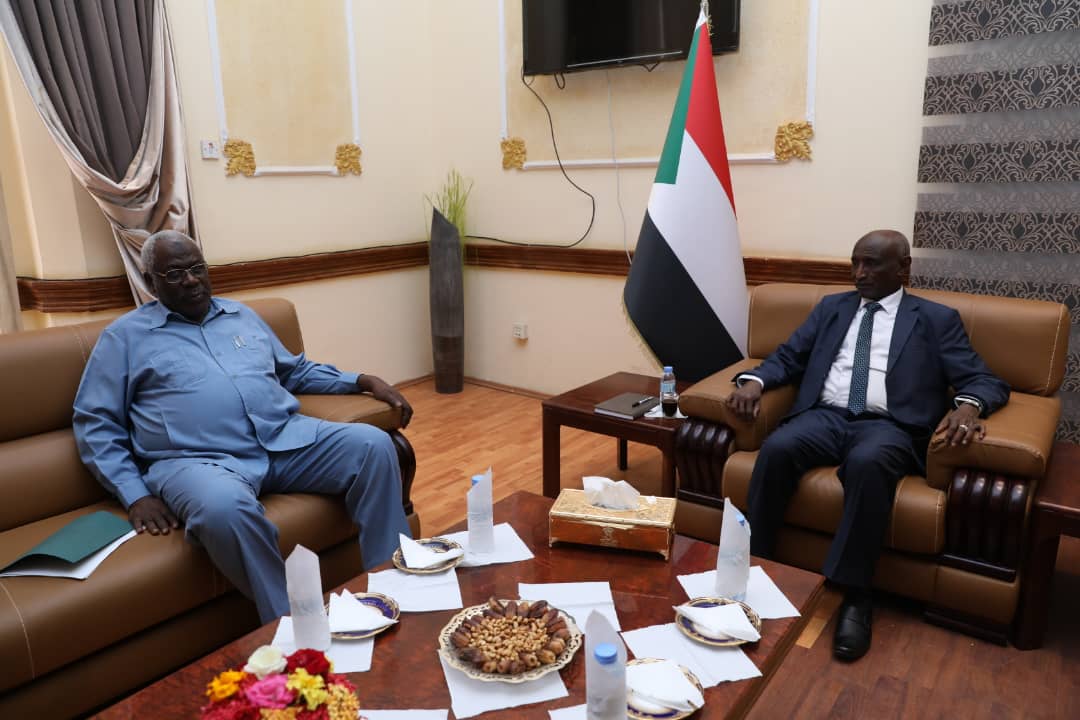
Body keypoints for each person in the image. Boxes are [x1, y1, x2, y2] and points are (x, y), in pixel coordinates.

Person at [73, 230, 414, 623]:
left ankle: (394, 587)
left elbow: (294, 372)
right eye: (175, 274)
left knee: (373, 445)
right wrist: (134, 494)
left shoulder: (241, 316)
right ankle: (296, 625)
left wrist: (362, 381)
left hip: (282, 440)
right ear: (150, 281)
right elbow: (96, 422)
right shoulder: (124, 338)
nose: (191, 280)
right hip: (197, 462)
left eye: (197, 268)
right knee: (223, 508)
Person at [725, 230, 1008, 661]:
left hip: (889, 426)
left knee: (868, 463)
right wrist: (754, 382)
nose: (860, 273)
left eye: (872, 263)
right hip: (825, 416)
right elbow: (789, 356)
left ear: (903, 268)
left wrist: (969, 407)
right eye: (856, 262)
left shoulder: (936, 319)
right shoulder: (832, 308)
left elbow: (983, 379)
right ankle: (754, 568)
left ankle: (856, 595)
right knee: (778, 448)